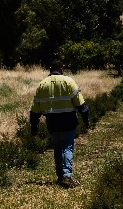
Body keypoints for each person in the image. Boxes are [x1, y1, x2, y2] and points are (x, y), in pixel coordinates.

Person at [30, 59, 90, 188]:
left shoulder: (42, 85)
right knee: (67, 147)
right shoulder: (69, 81)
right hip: (68, 120)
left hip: (52, 122)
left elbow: (34, 110)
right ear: (61, 68)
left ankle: (60, 176)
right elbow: (81, 105)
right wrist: (86, 120)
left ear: (50, 69)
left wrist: (33, 127)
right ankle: (67, 176)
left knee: (57, 147)